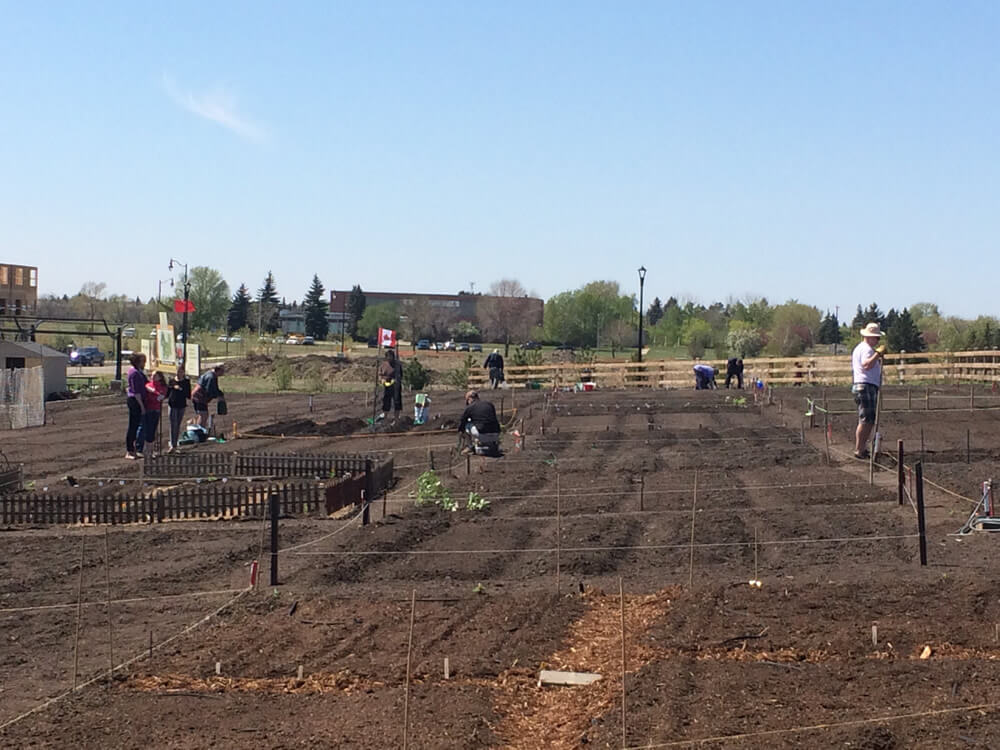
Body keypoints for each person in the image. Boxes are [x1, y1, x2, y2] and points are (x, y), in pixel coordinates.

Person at [852, 322, 886, 459]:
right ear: (869, 337)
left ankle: (862, 448)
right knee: (866, 419)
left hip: (867, 385)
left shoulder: (863, 348)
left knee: (869, 419)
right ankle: (859, 449)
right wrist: (877, 354)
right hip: (865, 385)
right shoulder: (866, 349)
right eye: (876, 338)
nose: (878, 340)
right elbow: (866, 365)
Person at [457, 390, 502, 455]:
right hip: (496, 434)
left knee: (466, 425)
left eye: (467, 401)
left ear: (469, 398)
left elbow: (462, 422)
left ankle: (470, 447)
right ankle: (494, 445)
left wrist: (460, 432)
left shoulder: (470, 407)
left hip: (482, 434)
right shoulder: (489, 404)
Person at [124, 352, 148, 459]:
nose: (145, 363)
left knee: (135, 425)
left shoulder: (138, 372)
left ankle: (133, 449)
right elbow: (136, 391)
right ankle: (129, 450)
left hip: (137, 399)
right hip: (135, 401)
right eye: (143, 361)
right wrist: (142, 406)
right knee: (133, 426)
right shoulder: (134, 373)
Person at [141, 370, 168, 458]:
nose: (153, 377)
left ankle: (151, 450)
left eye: (155, 375)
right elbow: (150, 392)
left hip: (156, 410)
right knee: (148, 430)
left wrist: (157, 395)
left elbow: (160, 397)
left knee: (153, 430)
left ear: (160, 377)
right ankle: (147, 450)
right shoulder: (149, 384)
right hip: (148, 409)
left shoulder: (162, 387)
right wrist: (156, 394)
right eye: (152, 375)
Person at [166, 365, 191, 453]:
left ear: (183, 372)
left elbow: (188, 394)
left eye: (181, 371)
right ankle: (172, 445)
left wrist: (180, 389)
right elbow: (167, 393)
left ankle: (175, 444)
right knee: (173, 424)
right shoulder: (172, 381)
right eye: (177, 371)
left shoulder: (186, 382)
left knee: (178, 425)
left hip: (181, 405)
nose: (179, 373)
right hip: (172, 404)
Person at [379, 349, 403, 422]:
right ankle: (385, 417)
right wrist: (382, 379)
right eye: (388, 356)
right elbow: (380, 374)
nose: (389, 358)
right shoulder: (383, 365)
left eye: (391, 356)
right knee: (386, 401)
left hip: (396, 386)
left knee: (397, 401)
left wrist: (397, 380)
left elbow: (401, 375)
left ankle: (396, 418)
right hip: (387, 386)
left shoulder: (397, 365)